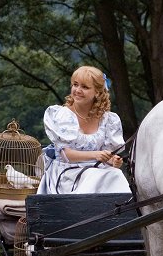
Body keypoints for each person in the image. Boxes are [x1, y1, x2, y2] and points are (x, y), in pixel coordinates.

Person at [37, 65, 131, 194]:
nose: (77, 90)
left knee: (116, 174)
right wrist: (96, 155)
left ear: (97, 92)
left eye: (85, 87)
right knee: (93, 176)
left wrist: (112, 160)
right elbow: (66, 156)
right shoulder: (63, 115)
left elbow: (106, 156)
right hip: (68, 174)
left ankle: (121, 212)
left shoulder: (108, 120)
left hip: (96, 171)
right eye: (75, 85)